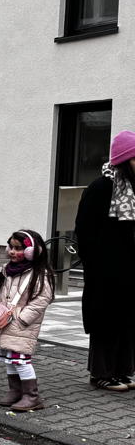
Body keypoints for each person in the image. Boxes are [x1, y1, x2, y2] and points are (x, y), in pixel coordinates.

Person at [74, 130, 135, 391]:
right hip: (106, 271)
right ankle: (102, 373)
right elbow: (84, 230)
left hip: (130, 270)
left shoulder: (133, 188)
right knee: (106, 322)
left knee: (128, 322)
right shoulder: (101, 187)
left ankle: (122, 371)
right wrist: (95, 265)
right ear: (124, 159)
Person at [0, 229, 55, 411]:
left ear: (32, 251)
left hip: (21, 323)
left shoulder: (39, 274)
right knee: (9, 356)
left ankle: (32, 396)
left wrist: (23, 319)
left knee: (20, 358)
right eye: (11, 247)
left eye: (18, 248)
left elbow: (42, 299)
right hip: (5, 321)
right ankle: (15, 390)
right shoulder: (6, 269)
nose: (12, 252)